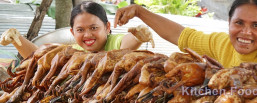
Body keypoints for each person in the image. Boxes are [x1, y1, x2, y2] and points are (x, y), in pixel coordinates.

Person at [114, 0, 257, 102]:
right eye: (239, 23)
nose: (246, 32)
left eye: (256, 25)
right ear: (229, 23)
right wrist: (139, 11)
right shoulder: (221, 44)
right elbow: (180, 35)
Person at [0, 1, 154, 59]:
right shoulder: (73, 51)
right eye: (80, 30)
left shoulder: (115, 42)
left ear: (107, 27)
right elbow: (40, 56)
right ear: (72, 33)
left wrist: (138, 37)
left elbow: (127, 43)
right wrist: (17, 39)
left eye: (94, 28)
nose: (88, 35)